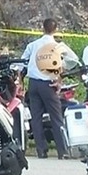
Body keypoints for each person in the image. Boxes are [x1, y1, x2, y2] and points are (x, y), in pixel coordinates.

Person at [21, 18, 72, 159]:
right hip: (49, 84)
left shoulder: (33, 45)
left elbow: (22, 63)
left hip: (33, 84)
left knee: (36, 118)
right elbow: (71, 62)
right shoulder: (58, 46)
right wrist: (60, 78)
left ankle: (41, 150)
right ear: (55, 30)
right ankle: (62, 151)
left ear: (42, 28)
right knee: (56, 117)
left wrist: (20, 81)